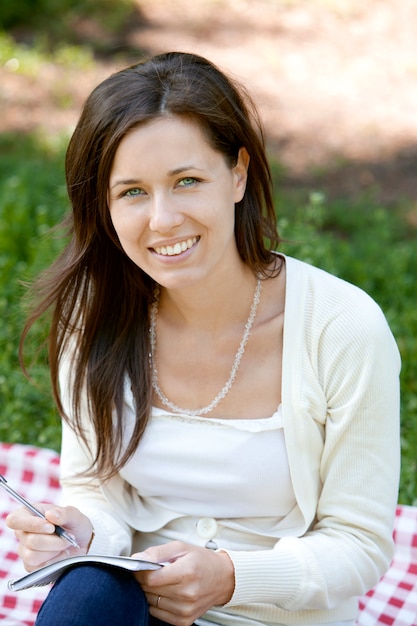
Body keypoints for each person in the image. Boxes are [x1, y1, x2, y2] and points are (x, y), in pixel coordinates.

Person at [7, 51, 400, 626]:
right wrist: (84, 530)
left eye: (186, 181)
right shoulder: (94, 317)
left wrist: (230, 578)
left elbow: (359, 546)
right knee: (88, 592)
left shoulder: (341, 328)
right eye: (132, 192)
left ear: (237, 174)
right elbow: (96, 489)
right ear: (105, 203)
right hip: (136, 610)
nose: (162, 219)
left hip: (281, 618)